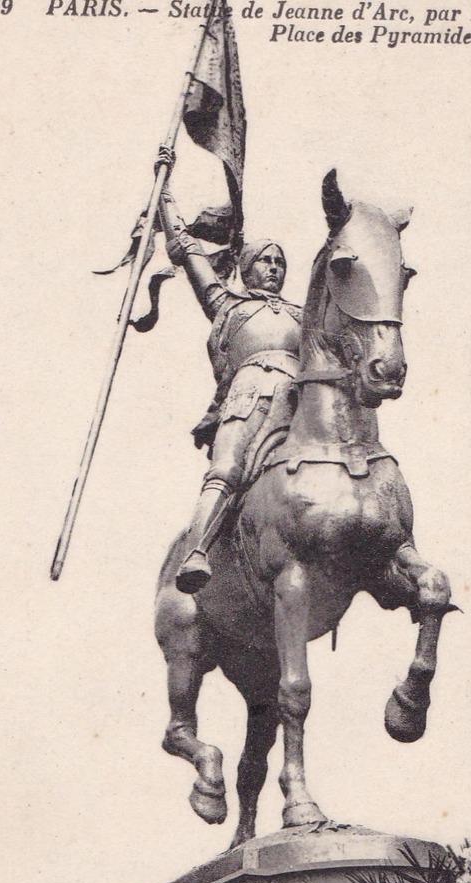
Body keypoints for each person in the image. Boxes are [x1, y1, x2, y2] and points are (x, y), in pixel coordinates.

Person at [159, 188, 303, 594]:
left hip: (298, 400)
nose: (274, 268)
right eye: (264, 260)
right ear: (246, 267)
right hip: (247, 396)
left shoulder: (301, 315)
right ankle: (197, 552)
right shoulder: (227, 305)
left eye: (279, 262)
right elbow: (190, 253)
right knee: (225, 470)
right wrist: (166, 202)